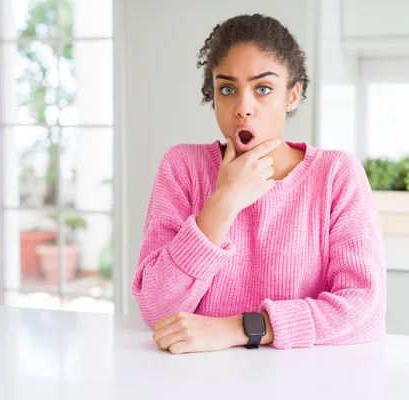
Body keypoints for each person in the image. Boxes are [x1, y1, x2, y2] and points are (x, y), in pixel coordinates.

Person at [132, 13, 386, 354]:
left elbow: (364, 310)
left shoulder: (335, 175)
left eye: (263, 89)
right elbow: (156, 308)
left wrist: (241, 328)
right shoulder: (183, 167)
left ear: (292, 96)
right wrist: (225, 200)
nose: (243, 108)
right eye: (227, 89)